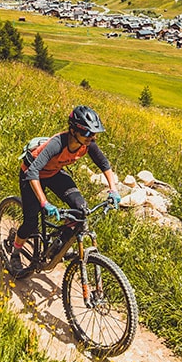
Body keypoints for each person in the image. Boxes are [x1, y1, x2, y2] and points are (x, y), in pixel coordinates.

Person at [10, 105, 120, 273]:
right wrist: (44, 202)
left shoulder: (88, 144)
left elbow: (103, 164)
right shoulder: (57, 144)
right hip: (31, 175)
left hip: (53, 173)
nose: (92, 137)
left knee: (80, 210)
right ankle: (15, 251)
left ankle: (59, 246)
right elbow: (33, 172)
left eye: (94, 133)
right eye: (88, 133)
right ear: (74, 130)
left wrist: (113, 190)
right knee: (31, 222)